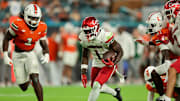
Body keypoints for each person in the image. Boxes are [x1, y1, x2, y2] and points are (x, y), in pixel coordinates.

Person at [2, 4, 49, 101]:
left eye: (36, 18)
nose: (34, 21)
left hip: (30, 54)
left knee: (36, 79)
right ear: (25, 15)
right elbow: (6, 38)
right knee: (23, 87)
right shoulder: (18, 24)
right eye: (31, 17)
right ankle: (28, 78)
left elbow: (43, 42)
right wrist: (6, 55)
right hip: (17, 55)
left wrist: (46, 53)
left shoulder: (42, 26)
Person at [79, 16, 123, 101]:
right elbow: (85, 55)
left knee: (96, 85)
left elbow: (120, 51)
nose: (87, 33)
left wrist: (114, 63)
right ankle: (115, 93)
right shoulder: (83, 38)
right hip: (96, 63)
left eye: (89, 30)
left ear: (96, 28)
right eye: (85, 31)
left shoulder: (105, 36)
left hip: (108, 64)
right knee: (95, 87)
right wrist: (83, 72)